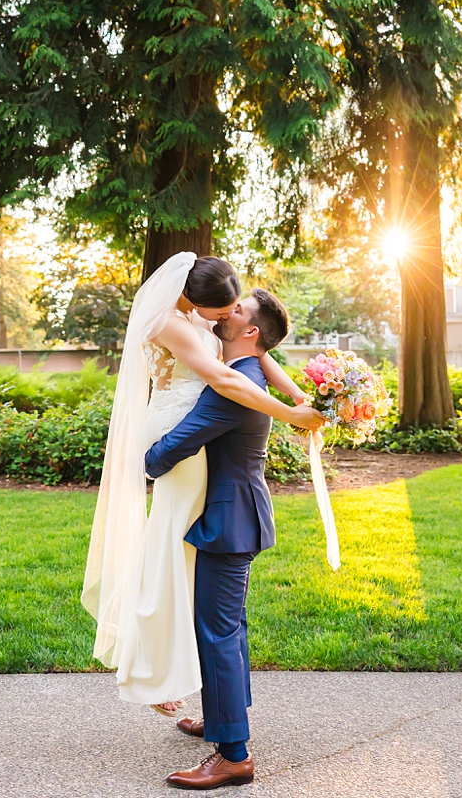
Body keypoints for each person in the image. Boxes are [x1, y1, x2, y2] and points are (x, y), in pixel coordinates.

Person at [80, 253, 323, 719]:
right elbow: (219, 377)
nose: (229, 317)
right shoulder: (168, 322)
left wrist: (296, 394)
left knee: (186, 559)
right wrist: (289, 415)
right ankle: (153, 672)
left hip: (198, 420)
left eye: (235, 311)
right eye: (224, 312)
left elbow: (259, 355)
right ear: (198, 300)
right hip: (177, 425)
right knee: (170, 550)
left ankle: (187, 681)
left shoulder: (198, 310)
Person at [144, 287, 292, 789]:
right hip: (237, 514)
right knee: (229, 626)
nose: (227, 313)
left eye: (238, 311)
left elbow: (175, 446)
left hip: (229, 522)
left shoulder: (234, 386)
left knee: (218, 632)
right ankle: (222, 717)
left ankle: (233, 755)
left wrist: (139, 456)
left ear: (250, 332)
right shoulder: (247, 372)